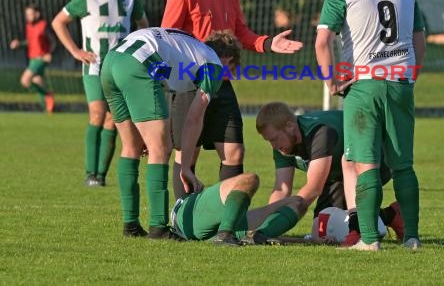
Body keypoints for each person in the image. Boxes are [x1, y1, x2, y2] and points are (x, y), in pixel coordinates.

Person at [161, 0, 302, 198]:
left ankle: (228, 223)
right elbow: (167, 41)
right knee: (187, 154)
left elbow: (240, 32)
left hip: (222, 83)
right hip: (189, 85)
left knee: (234, 151)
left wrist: (269, 44)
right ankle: (183, 220)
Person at [315, 0, 426, 251]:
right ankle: (413, 237)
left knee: (366, 165)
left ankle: (368, 239)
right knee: (403, 165)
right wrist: (409, 77)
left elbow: (322, 42)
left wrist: (330, 81)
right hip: (400, 82)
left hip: (364, 85)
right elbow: (420, 41)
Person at [100, 28, 240, 239]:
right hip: (139, 63)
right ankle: (158, 228)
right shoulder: (214, 66)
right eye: (234, 70)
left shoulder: (187, 49)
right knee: (161, 149)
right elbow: (194, 118)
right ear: (228, 60)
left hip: (111, 60)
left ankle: (131, 225)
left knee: (131, 147)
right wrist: (184, 167)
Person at [52, 0, 149, 187]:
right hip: (94, 67)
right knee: (97, 113)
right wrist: (76, 51)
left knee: (113, 120)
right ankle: (89, 173)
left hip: (120, 69)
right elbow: (58, 22)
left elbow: (143, 26)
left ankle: (100, 176)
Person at [254, 102, 404, 245]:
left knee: (340, 228)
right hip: (337, 172)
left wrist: (269, 230)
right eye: (269, 141)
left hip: (373, 161)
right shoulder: (282, 144)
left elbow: (313, 189)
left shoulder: (320, 132)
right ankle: (390, 216)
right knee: (321, 229)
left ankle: (388, 216)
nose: (273, 145)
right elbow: (282, 190)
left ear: (290, 126)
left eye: (274, 139)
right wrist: (268, 225)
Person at [170, 172, 307, 246]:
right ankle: (224, 236)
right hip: (189, 218)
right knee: (249, 179)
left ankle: (255, 237)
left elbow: (278, 239)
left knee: (298, 204)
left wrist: (308, 241)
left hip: (229, 220)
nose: (274, 145)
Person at [9, 4, 56, 113]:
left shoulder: (44, 25)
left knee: (25, 81)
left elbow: (53, 41)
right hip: (32, 58)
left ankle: (48, 95)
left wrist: (49, 53)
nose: (28, 16)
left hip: (41, 59)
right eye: (27, 14)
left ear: (37, 14)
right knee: (37, 82)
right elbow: (30, 42)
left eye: (30, 14)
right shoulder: (29, 26)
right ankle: (47, 109)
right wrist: (19, 44)